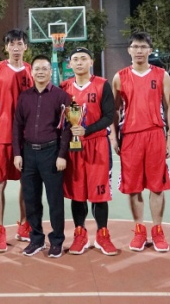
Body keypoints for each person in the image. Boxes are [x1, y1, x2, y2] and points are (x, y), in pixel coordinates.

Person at [112, 31, 170, 252]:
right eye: (135, 47)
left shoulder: (161, 75)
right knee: (133, 187)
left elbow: (168, 107)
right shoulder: (119, 77)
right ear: (129, 50)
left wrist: (169, 137)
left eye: (143, 47)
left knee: (157, 186)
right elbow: (114, 110)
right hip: (130, 136)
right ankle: (139, 230)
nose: (139, 51)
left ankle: (157, 230)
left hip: (155, 134)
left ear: (150, 50)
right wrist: (114, 136)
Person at [60, 47, 118, 256]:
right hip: (74, 147)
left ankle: (102, 235)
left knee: (99, 194)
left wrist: (88, 129)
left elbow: (109, 116)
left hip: (97, 144)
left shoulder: (102, 84)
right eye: (75, 59)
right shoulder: (64, 88)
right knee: (77, 193)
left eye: (83, 58)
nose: (79, 62)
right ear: (70, 64)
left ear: (91, 62)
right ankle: (80, 233)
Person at [13, 55, 72, 258]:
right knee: (31, 199)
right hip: (29, 154)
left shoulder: (61, 96)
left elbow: (67, 128)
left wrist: (62, 155)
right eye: (37, 68)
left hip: (52, 153)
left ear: (50, 72)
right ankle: (36, 239)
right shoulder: (24, 97)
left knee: (55, 200)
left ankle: (57, 241)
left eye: (44, 68)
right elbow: (17, 126)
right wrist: (17, 153)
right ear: (32, 72)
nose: (40, 72)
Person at [0, 29, 33, 252]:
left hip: (27, 135)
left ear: (26, 47)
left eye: (20, 43)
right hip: (3, 134)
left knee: (27, 182)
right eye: (12, 44)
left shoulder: (32, 70)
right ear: (6, 47)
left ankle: (24, 225)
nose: (16, 47)